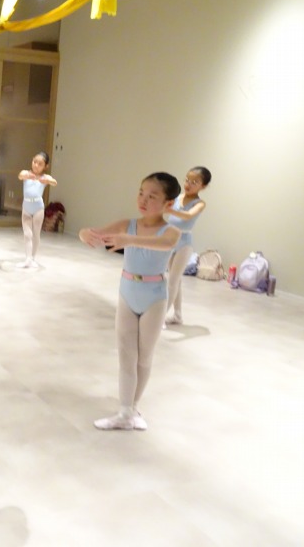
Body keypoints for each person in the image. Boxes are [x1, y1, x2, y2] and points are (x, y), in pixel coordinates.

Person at [78, 172, 181, 431]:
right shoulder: (127, 224)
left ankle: (132, 408)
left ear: (168, 204)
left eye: (152, 196)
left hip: (154, 298)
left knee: (144, 357)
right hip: (127, 293)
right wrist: (84, 234)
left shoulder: (172, 232)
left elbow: (164, 243)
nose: (143, 200)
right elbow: (94, 232)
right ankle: (125, 412)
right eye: (141, 193)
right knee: (126, 355)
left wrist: (129, 240)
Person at [164, 166, 212, 326]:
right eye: (187, 180)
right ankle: (177, 315)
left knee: (173, 281)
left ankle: (160, 317)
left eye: (194, 182)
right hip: (170, 241)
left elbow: (188, 215)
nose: (188, 184)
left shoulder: (200, 204)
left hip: (184, 244)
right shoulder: (177, 198)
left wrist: (169, 209)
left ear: (203, 186)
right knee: (175, 281)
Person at [17, 151, 57, 268]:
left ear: (46, 166)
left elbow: (54, 182)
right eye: (35, 162)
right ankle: (28, 258)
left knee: (36, 234)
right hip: (26, 207)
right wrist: (27, 176)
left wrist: (47, 181)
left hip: (38, 208)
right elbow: (20, 175)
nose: (36, 165)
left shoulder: (45, 177)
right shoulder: (26, 173)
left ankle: (33, 258)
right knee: (27, 234)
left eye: (40, 164)